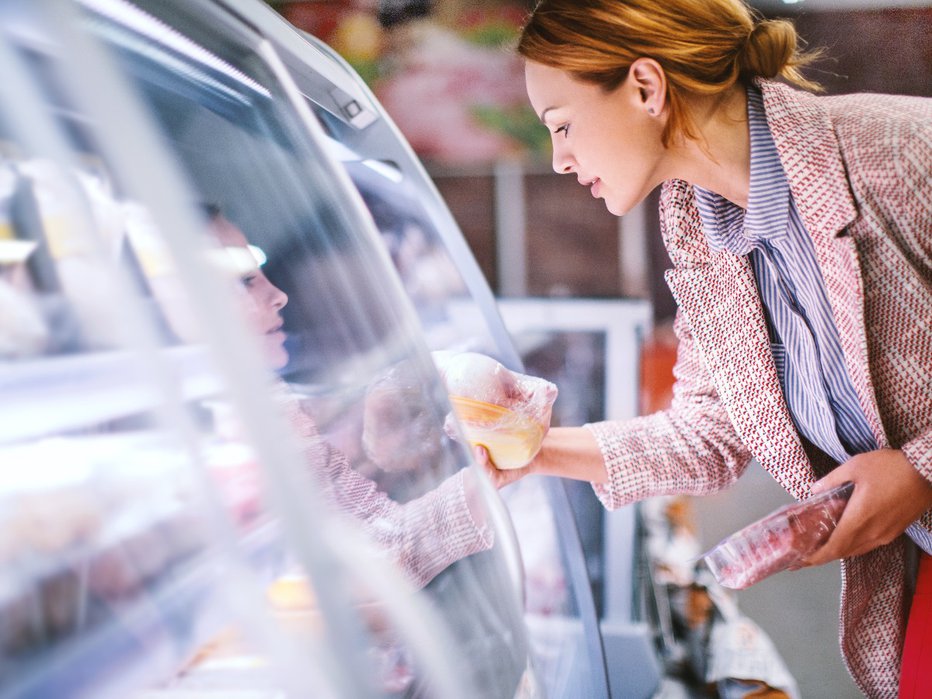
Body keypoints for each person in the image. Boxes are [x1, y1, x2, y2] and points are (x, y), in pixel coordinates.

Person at [479, 1, 932, 696]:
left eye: (562, 125)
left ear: (645, 87)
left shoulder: (899, 151)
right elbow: (713, 428)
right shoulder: (695, 221)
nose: (560, 159)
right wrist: (530, 450)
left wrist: (918, 468)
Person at [206, 211, 495, 589]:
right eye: (245, 281)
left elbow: (389, 546)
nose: (279, 296)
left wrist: (496, 472)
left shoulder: (272, 406)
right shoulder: (206, 425)